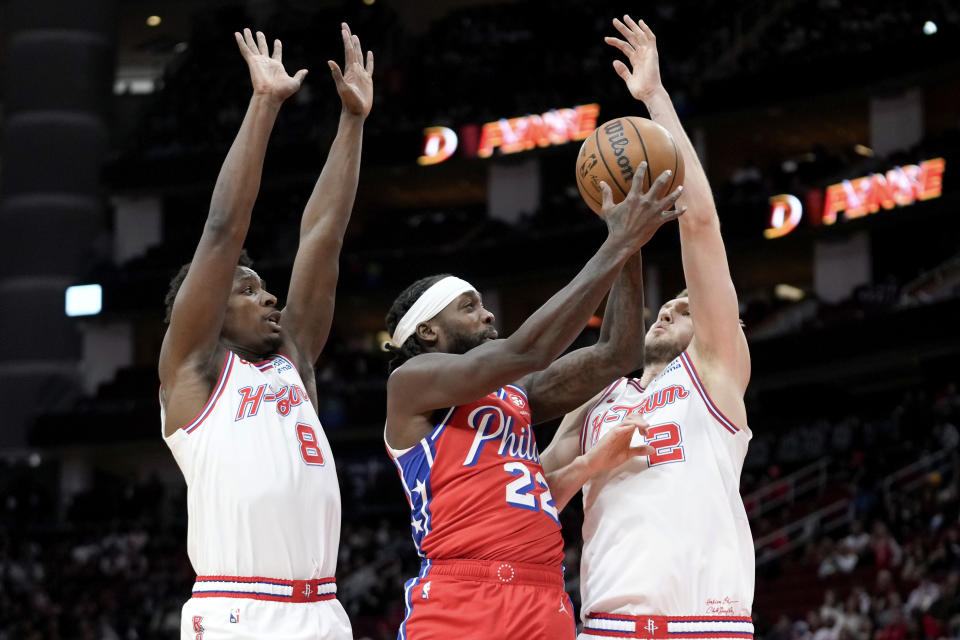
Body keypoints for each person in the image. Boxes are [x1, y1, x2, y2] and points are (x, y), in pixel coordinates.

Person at [383, 163, 685, 639]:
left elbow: (616, 353)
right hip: (463, 595)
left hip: (544, 595)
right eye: (469, 307)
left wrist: (633, 245)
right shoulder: (410, 382)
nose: (487, 315)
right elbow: (528, 348)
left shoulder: (513, 394)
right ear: (428, 331)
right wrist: (617, 243)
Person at [540, 15, 755, 637]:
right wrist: (585, 468)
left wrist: (655, 100)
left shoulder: (714, 373)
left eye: (686, 308)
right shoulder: (597, 397)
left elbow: (701, 228)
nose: (668, 308)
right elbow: (532, 496)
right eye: (670, 303)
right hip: (606, 627)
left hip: (706, 627)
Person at [158, 24, 373, 639]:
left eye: (262, 285)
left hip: (325, 611)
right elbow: (223, 230)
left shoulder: (292, 359)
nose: (269, 294)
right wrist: (264, 105)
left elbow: (323, 234)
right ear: (207, 311)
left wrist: (352, 122)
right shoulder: (193, 372)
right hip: (238, 611)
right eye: (247, 289)